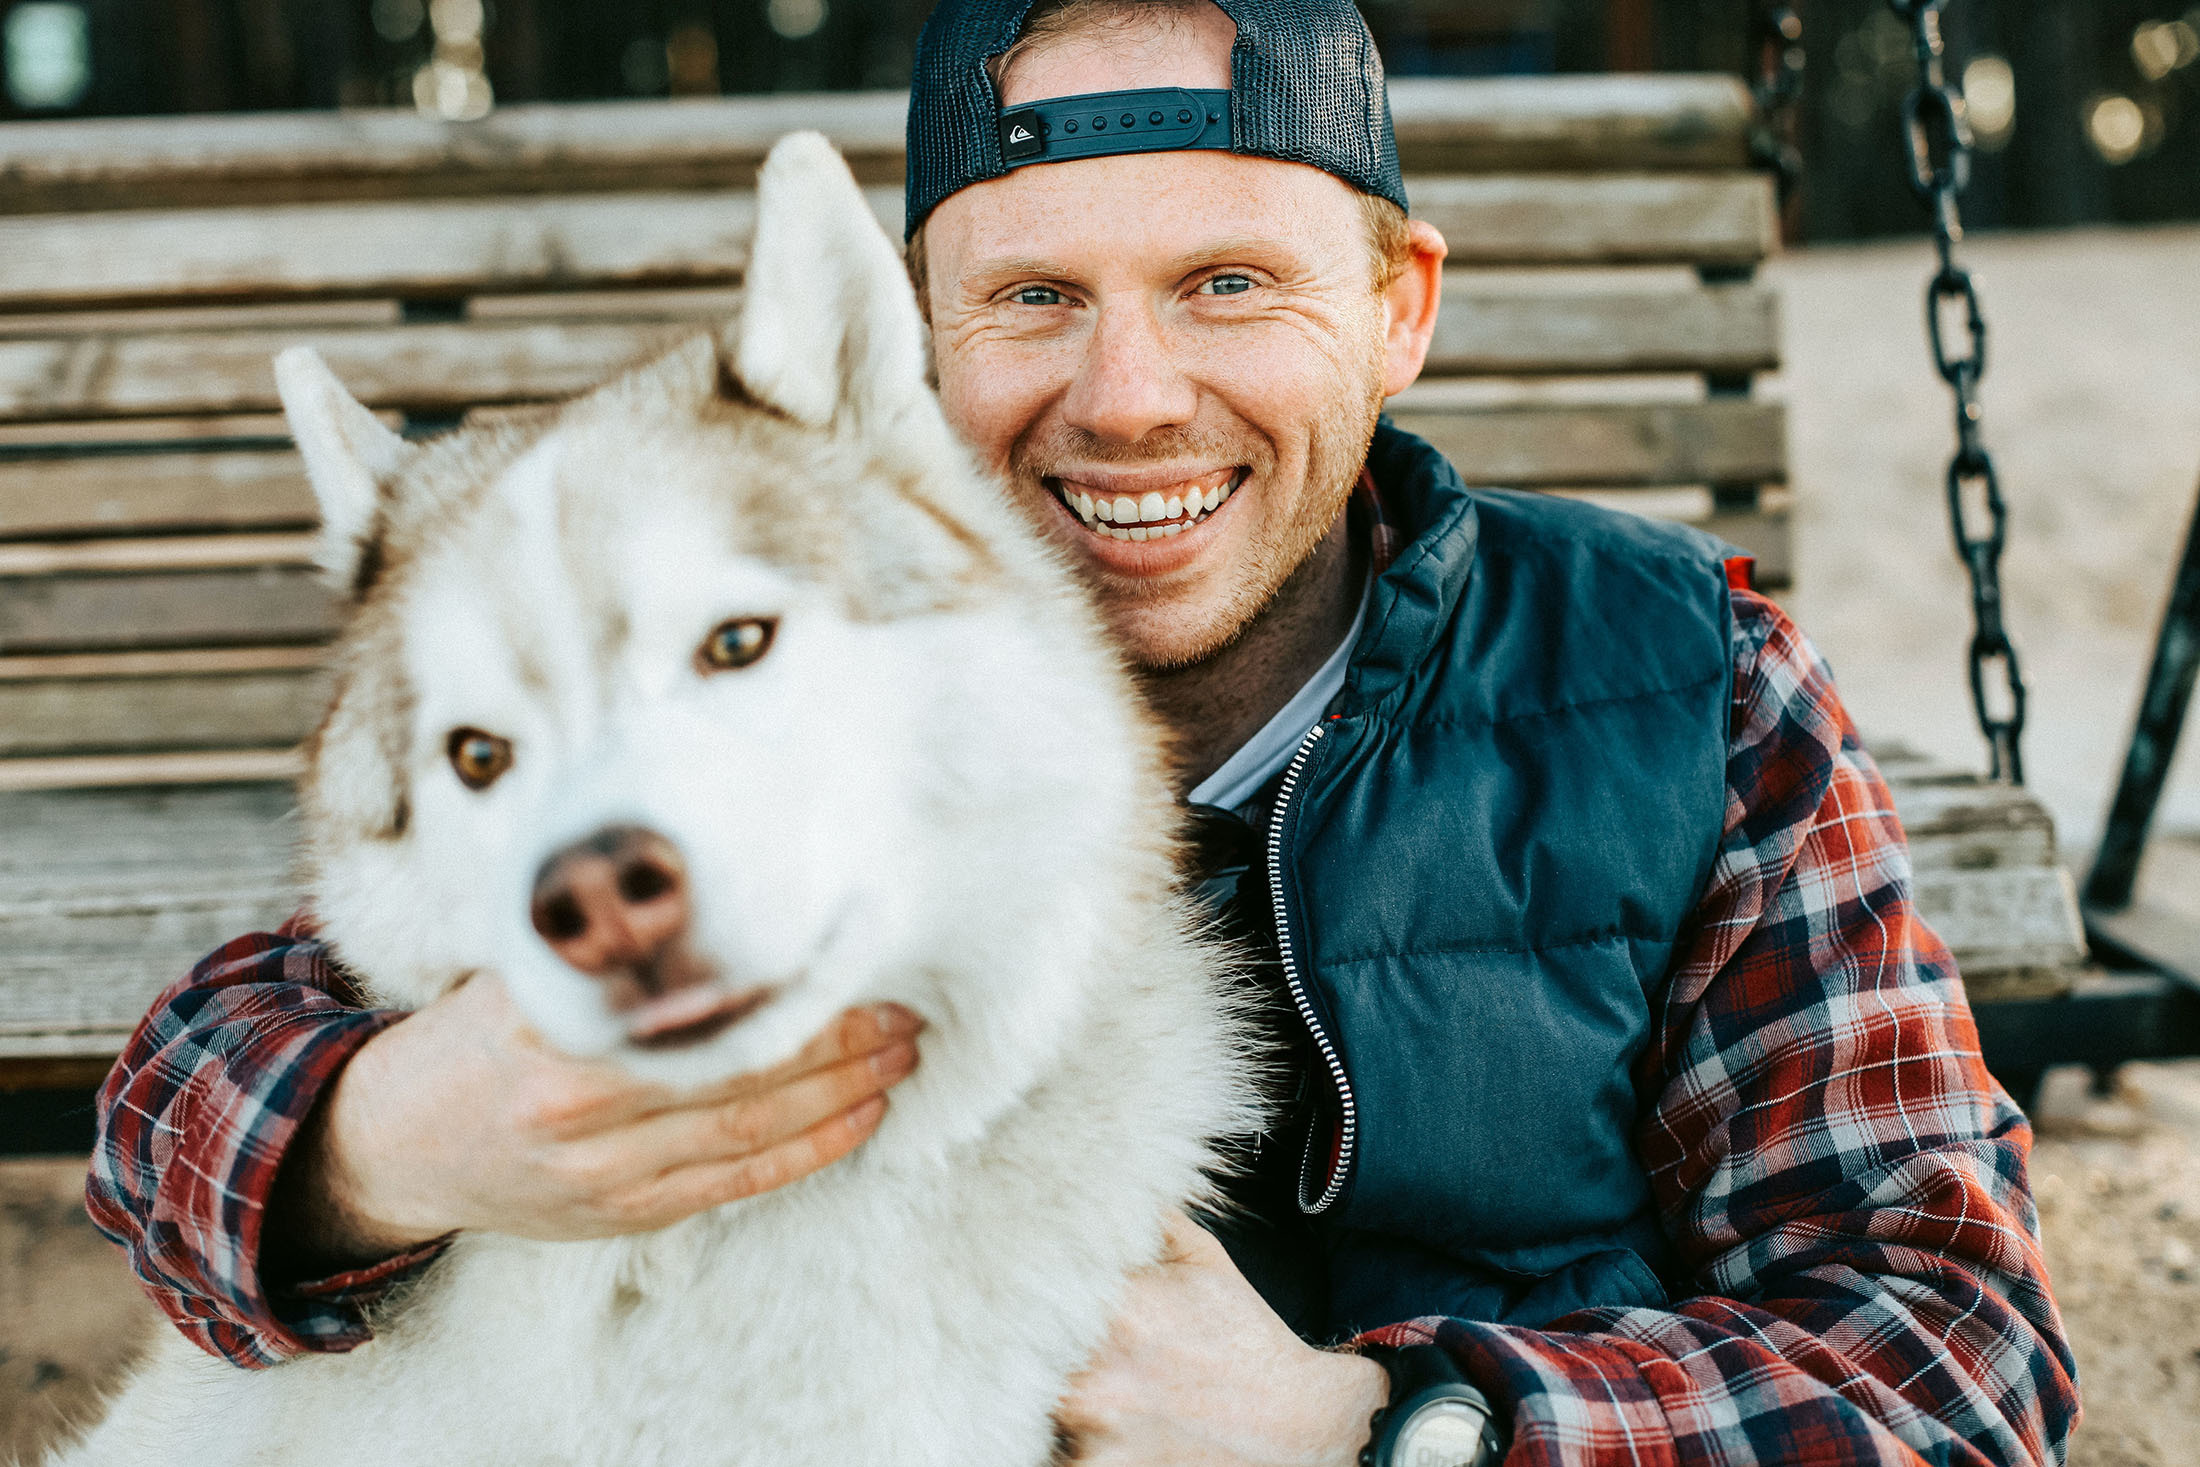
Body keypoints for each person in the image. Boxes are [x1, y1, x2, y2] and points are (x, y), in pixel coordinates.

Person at [87, 1, 2078, 1463]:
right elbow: (236, 1059)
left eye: (1228, 283)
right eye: (1034, 297)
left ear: (1398, 309)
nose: (1130, 397)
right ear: (914, 343)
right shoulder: (835, 663)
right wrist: (368, 1146)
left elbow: (1953, 1359)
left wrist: (1386, 1427)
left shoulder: (1672, 679)